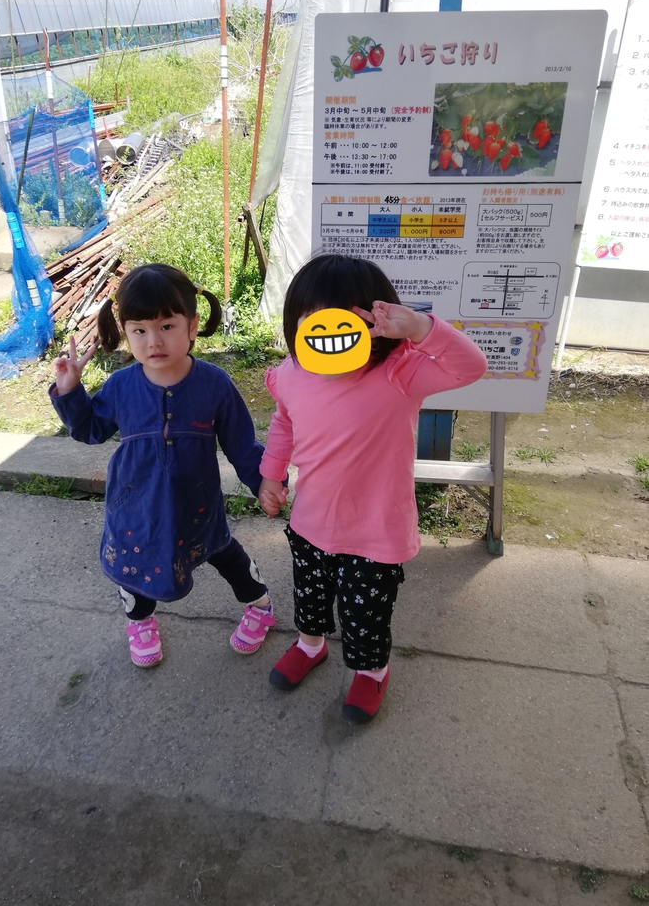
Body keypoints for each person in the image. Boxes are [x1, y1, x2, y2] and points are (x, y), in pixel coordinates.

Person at [258, 254, 488, 724]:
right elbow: (284, 423)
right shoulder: (292, 374)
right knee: (310, 598)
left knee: (366, 616)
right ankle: (310, 645)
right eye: (313, 325)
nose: (329, 340)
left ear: (376, 326)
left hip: (376, 534)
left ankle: (371, 672)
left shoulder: (401, 372)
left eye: (346, 325)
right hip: (311, 522)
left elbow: (470, 367)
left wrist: (421, 328)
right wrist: (271, 474)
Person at [50, 263, 275, 667]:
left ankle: (260, 605)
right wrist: (70, 393)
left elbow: (242, 445)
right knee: (132, 566)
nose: (153, 340)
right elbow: (90, 430)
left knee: (224, 553)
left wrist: (264, 482)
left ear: (192, 325)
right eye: (139, 330)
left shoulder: (215, 384)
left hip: (198, 506)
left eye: (167, 326)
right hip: (134, 508)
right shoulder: (121, 385)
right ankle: (139, 622)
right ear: (125, 332)